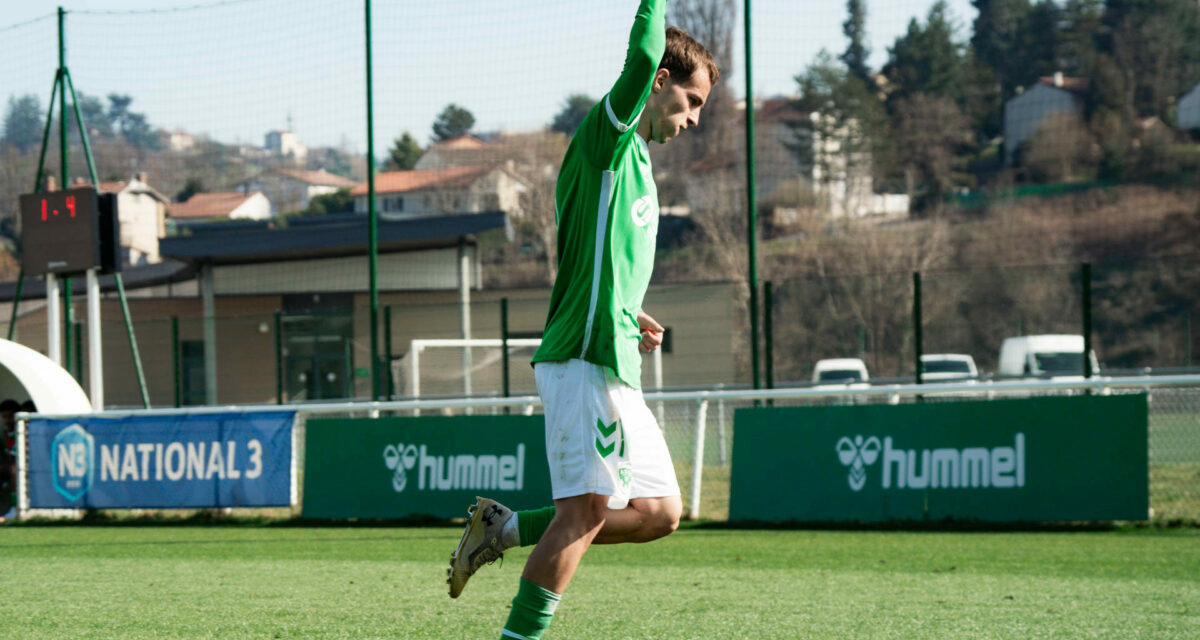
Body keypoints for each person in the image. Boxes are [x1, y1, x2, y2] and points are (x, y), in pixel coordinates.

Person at [445, 2, 718, 638]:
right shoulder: (609, 136)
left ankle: (502, 529)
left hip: (613, 353)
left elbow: (598, 262)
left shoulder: (639, 165)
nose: (695, 118)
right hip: (583, 358)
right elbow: (645, 50)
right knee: (586, 512)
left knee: (658, 512)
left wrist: (630, 312)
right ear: (656, 83)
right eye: (692, 100)